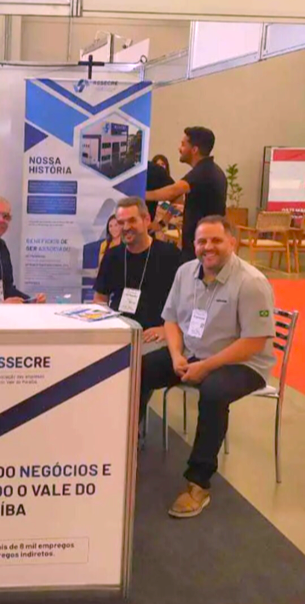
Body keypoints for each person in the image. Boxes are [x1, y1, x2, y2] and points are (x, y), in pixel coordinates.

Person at [140, 215, 275, 519]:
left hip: (242, 362)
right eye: (202, 241)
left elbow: (254, 342)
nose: (208, 247)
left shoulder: (251, 283)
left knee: (214, 392)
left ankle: (198, 483)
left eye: (216, 240)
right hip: (191, 353)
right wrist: (176, 355)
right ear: (194, 244)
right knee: (139, 370)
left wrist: (206, 366)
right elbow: (171, 320)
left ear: (232, 242)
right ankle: (129, 441)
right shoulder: (185, 272)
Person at [94, 197, 180, 344]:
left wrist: (167, 329)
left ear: (146, 220)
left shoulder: (170, 255)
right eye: (121, 222)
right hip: (119, 334)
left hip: (155, 336)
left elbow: (186, 303)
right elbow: (100, 299)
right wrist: (106, 326)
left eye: (132, 221)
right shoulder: (112, 256)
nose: (126, 227)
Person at [146, 127, 227, 263]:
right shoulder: (212, 170)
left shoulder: (202, 172)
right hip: (205, 243)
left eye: (183, 145)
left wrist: (140, 194)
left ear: (194, 150)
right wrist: (162, 222)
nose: (179, 149)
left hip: (203, 246)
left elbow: (173, 192)